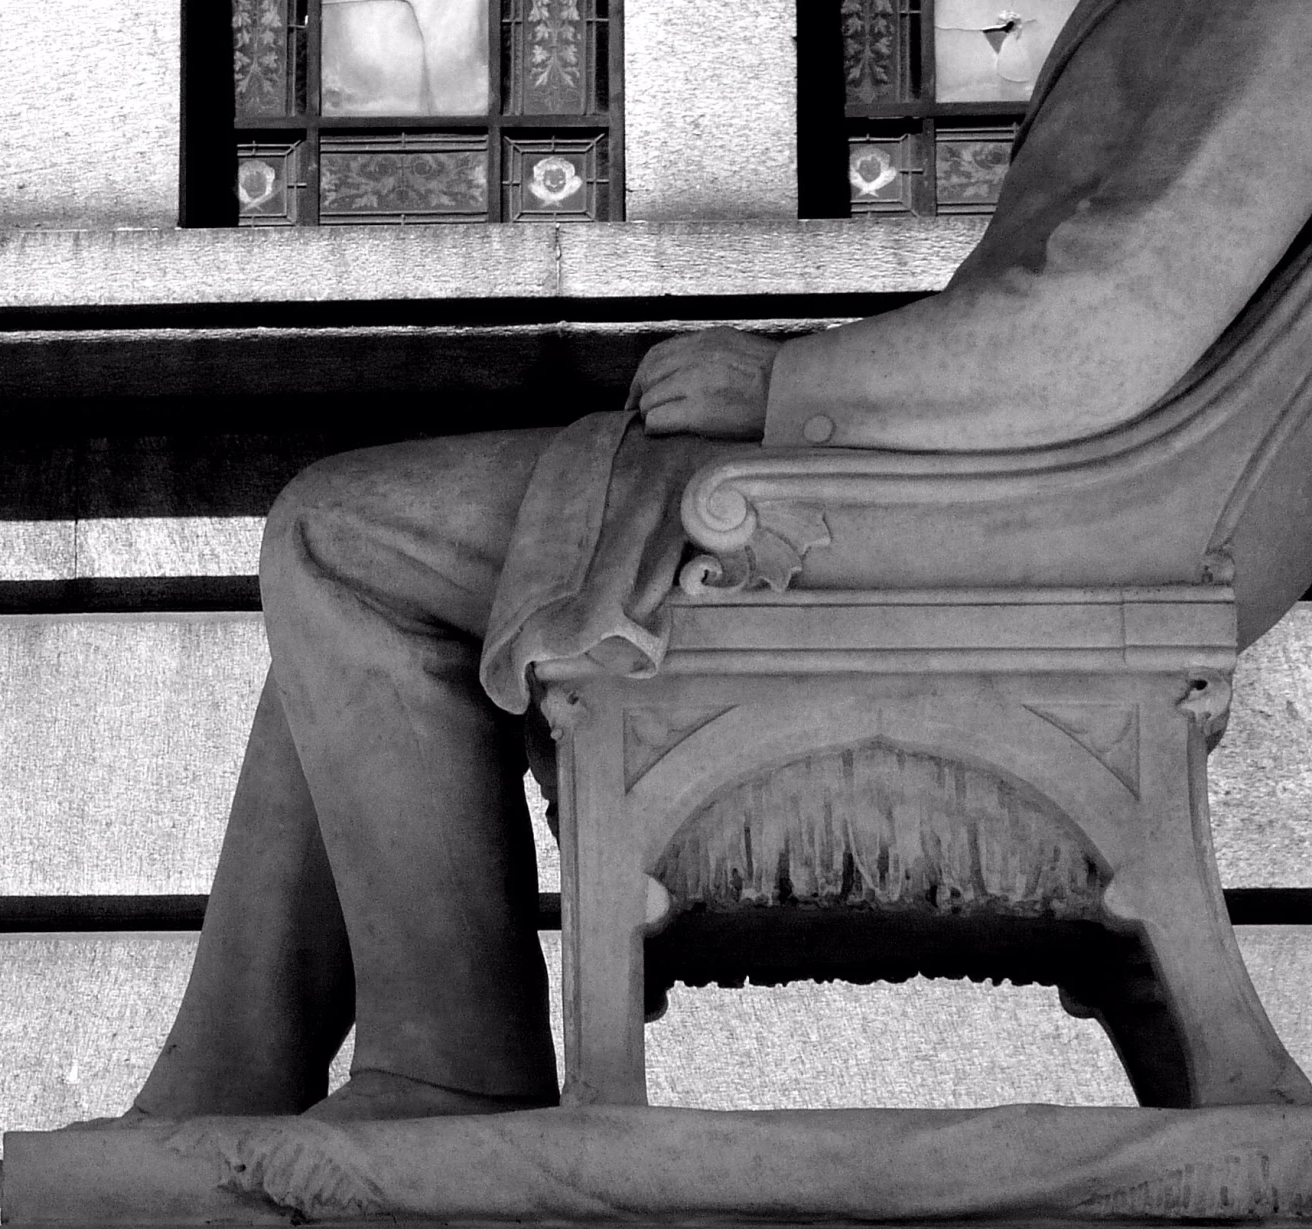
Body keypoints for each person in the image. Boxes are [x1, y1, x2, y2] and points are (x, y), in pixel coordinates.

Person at [119, 0, 1312, 1123]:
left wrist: (785, 386)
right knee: (354, 573)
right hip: (996, 514)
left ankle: (444, 1070)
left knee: (340, 536)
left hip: (982, 535)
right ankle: (233, 1078)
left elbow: (1097, 332)